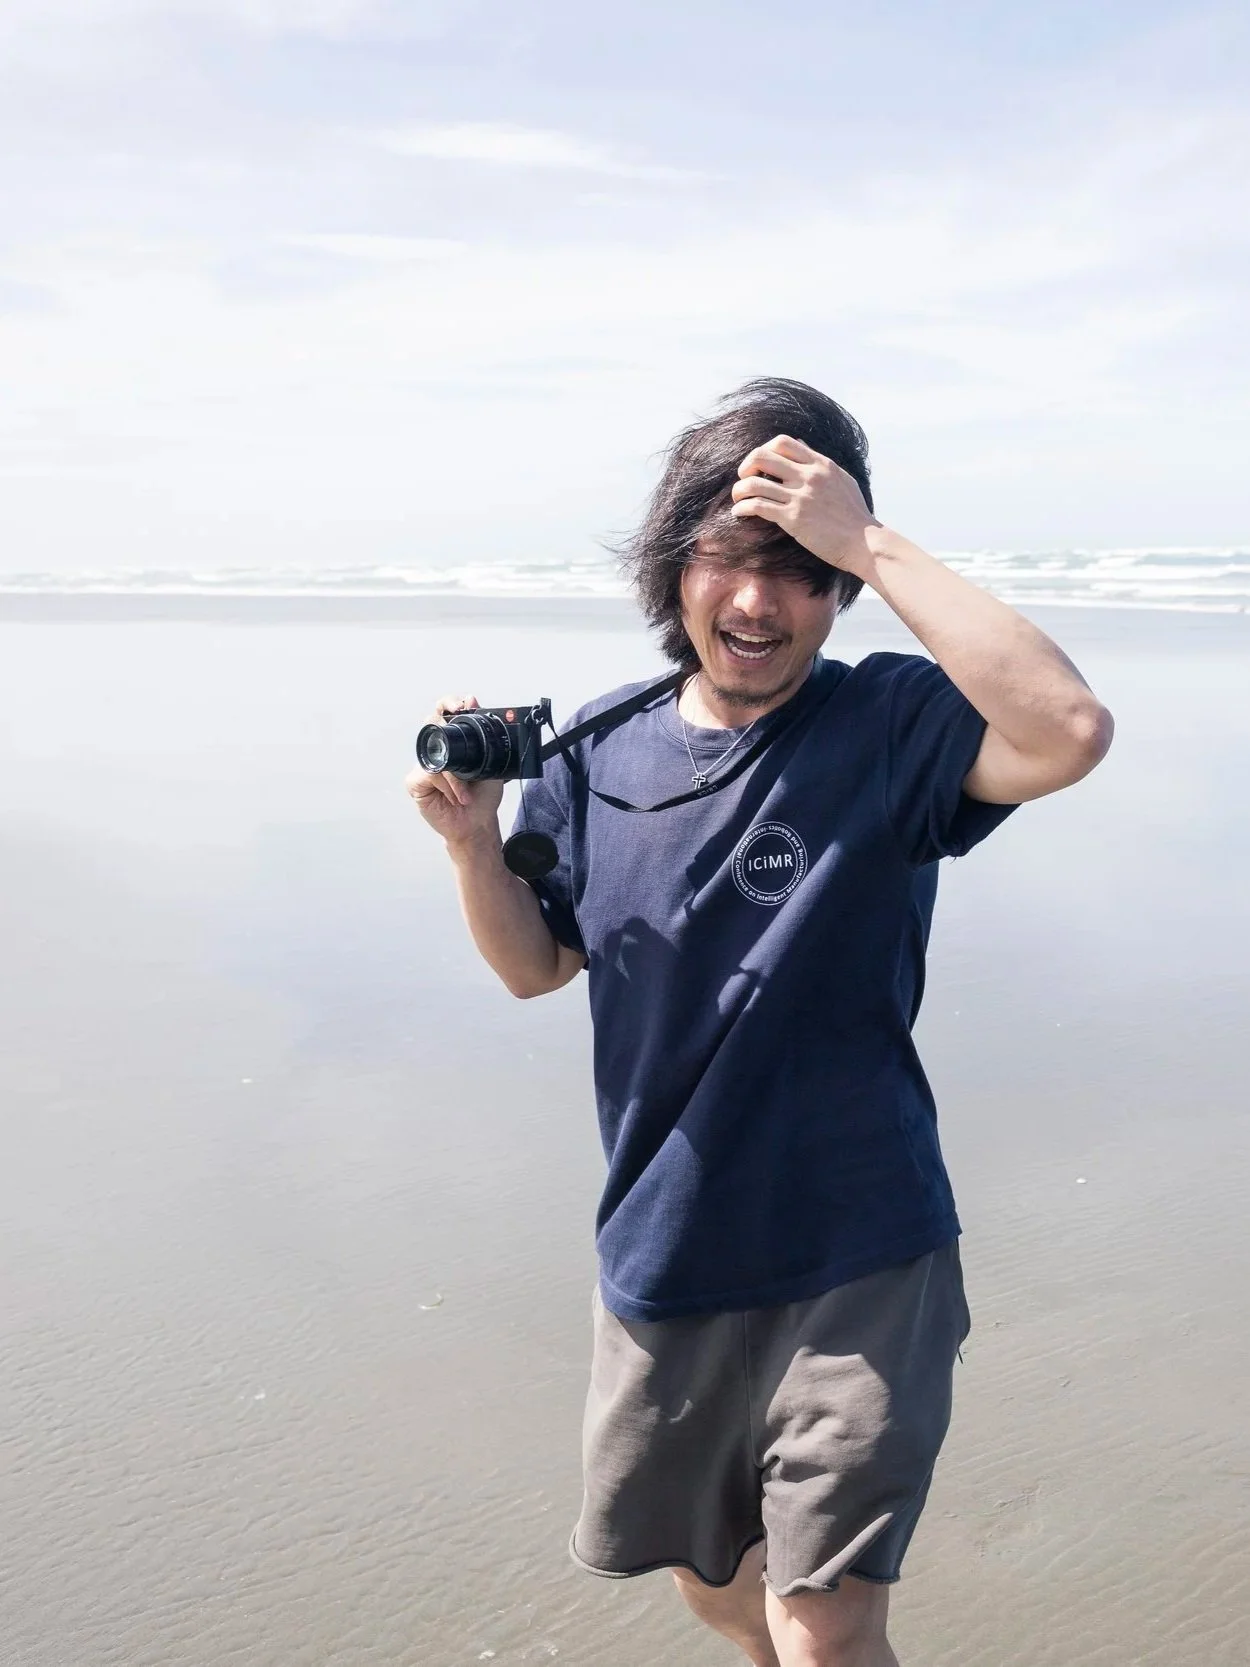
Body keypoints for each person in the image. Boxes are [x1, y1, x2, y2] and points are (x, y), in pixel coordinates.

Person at [406, 378, 1113, 1667]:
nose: (755, 603)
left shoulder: (889, 723)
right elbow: (534, 967)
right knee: (714, 1580)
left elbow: (1066, 729)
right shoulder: (593, 751)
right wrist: (471, 851)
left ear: (838, 588)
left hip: (860, 1243)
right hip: (668, 1248)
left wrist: (874, 542)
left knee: (825, 1626)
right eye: (728, 563)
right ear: (673, 570)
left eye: (798, 571)